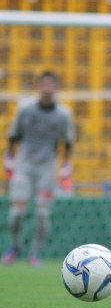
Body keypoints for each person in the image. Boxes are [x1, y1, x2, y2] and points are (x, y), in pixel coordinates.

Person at [2, 70, 74, 267]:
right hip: (24, 165)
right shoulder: (25, 108)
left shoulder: (63, 114)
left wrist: (66, 168)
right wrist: (9, 160)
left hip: (47, 167)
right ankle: (15, 245)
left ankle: (35, 253)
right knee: (16, 213)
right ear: (38, 87)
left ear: (56, 88)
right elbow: (13, 136)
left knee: (42, 215)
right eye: (44, 84)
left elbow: (67, 143)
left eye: (51, 85)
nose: (47, 89)